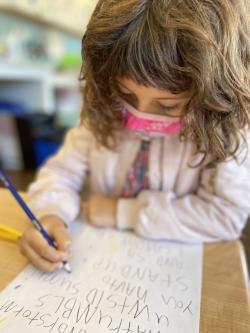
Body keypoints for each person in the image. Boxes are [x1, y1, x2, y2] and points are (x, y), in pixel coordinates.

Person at [19, 0, 250, 272]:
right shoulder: (103, 109)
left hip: (177, 267)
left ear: (211, 97)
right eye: (126, 95)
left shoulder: (228, 130)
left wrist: (122, 212)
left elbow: (224, 216)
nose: (139, 117)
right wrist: (50, 214)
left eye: (167, 106)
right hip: (102, 260)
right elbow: (60, 175)